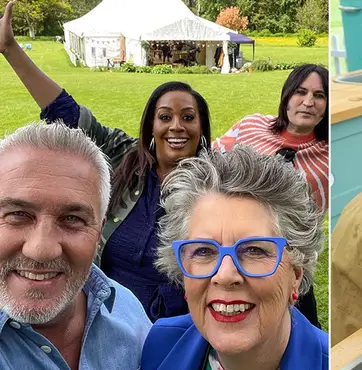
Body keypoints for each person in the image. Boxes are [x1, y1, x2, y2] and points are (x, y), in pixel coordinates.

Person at [0, 1, 212, 322]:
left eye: (188, 117)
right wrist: (11, 49)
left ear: (201, 127)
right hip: (105, 316)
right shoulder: (126, 157)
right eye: (165, 116)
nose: (176, 126)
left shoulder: (217, 184)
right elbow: (66, 113)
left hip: (175, 324)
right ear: (151, 127)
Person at [141, 145, 328, 370]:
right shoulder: (159, 345)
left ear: (296, 275)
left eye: (254, 251)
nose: (226, 275)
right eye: (203, 251)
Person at [0, 122, 152, 369]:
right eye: (18, 214)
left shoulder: (128, 313)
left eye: (72, 219)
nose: (41, 250)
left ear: (99, 232)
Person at [213, 63, 329, 328]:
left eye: (319, 95)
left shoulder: (328, 156)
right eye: (300, 92)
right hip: (230, 246)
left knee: (300, 333)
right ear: (287, 95)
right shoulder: (251, 126)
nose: (308, 102)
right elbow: (210, 161)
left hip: (288, 261)